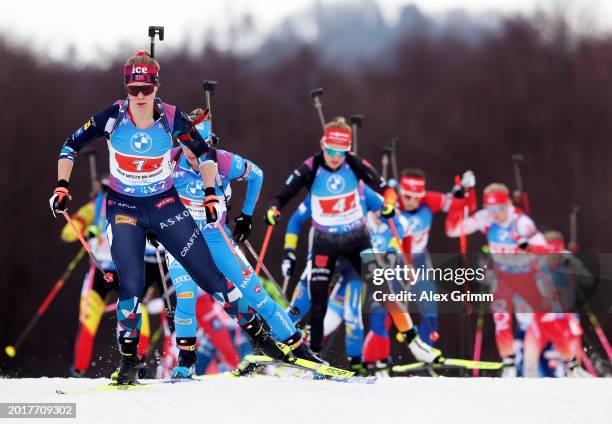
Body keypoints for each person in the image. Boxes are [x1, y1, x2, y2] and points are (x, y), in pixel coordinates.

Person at [50, 51, 251, 385]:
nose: (139, 96)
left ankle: (235, 351)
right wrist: (62, 190)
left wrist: (224, 199)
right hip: (112, 258)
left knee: (193, 296)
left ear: (157, 87)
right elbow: (71, 226)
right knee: (111, 304)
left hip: (159, 242)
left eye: (146, 89)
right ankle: (93, 368)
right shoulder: (111, 128)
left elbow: (209, 158)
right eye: (133, 89)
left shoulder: (170, 130)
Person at [272, 122, 441, 365]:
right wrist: (289, 251)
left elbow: (395, 215)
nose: (336, 158)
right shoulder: (316, 182)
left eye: (342, 153)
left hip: (354, 252)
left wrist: (392, 236)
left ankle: (409, 342)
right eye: (331, 151)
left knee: (369, 300)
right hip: (325, 248)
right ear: (323, 146)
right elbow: (295, 220)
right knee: (305, 300)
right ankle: (279, 343)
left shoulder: (363, 188)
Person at [167, 111, 320, 377]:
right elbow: (149, 189)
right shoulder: (170, 161)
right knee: (186, 296)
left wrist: (246, 216)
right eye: (187, 147)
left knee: (256, 295)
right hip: (182, 240)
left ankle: (300, 350)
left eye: (198, 148)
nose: (193, 154)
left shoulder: (223, 162)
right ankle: (185, 362)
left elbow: (257, 175)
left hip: (217, 237)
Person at [445, 183, 587, 377]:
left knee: (548, 321)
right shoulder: (486, 218)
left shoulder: (521, 223)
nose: (495, 213)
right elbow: (453, 230)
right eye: (490, 208)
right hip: (503, 278)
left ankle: (572, 365)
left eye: (499, 208)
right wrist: (459, 200)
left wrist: (529, 245)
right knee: (501, 318)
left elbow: (545, 249)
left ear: (508, 204)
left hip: (527, 277)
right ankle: (509, 365)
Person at [396, 168, 476, 342]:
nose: (411, 202)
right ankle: (376, 363)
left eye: (417, 197)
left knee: (430, 313)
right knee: (386, 314)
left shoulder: (430, 200)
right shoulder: (390, 203)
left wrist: (465, 191)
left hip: (419, 261)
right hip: (393, 263)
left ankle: (427, 360)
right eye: (407, 196)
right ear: (400, 192)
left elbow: (464, 207)